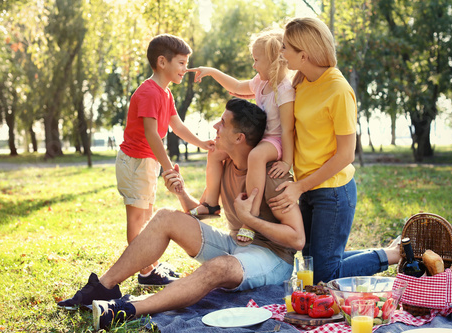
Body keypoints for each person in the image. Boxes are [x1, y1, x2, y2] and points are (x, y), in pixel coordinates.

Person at [56, 98, 305, 330]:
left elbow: (297, 239)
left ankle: (126, 309)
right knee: (166, 216)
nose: (216, 126)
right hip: (235, 245)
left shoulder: (273, 176)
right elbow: (206, 211)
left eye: (223, 123)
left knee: (220, 267)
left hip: (272, 258)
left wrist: (250, 220)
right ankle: (104, 287)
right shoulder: (225, 162)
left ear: (239, 137)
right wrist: (181, 192)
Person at [268, 17, 401, 284]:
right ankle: (390, 251)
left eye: (285, 48)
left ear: (303, 54)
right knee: (311, 268)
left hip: (334, 192)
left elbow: (345, 155)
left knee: (322, 276)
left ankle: (392, 255)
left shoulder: (339, 90)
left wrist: (300, 187)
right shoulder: (300, 82)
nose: (281, 53)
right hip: (308, 188)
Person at [115, 34, 214, 286]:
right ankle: (146, 271)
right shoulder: (148, 92)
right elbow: (151, 134)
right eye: (181, 63)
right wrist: (169, 169)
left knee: (147, 216)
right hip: (136, 162)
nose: (186, 69)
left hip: (147, 162)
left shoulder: (165, 94)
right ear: (162, 62)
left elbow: (176, 126)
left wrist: (201, 143)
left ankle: (150, 264)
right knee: (137, 219)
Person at [187, 28, 295, 246]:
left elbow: (288, 130)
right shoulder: (260, 82)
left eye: (257, 60)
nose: (254, 65)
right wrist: (212, 72)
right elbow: (236, 86)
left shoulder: (284, 90)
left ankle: (251, 216)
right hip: (261, 137)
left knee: (255, 156)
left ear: (274, 61)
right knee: (216, 152)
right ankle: (210, 203)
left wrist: (286, 161)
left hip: (276, 142)